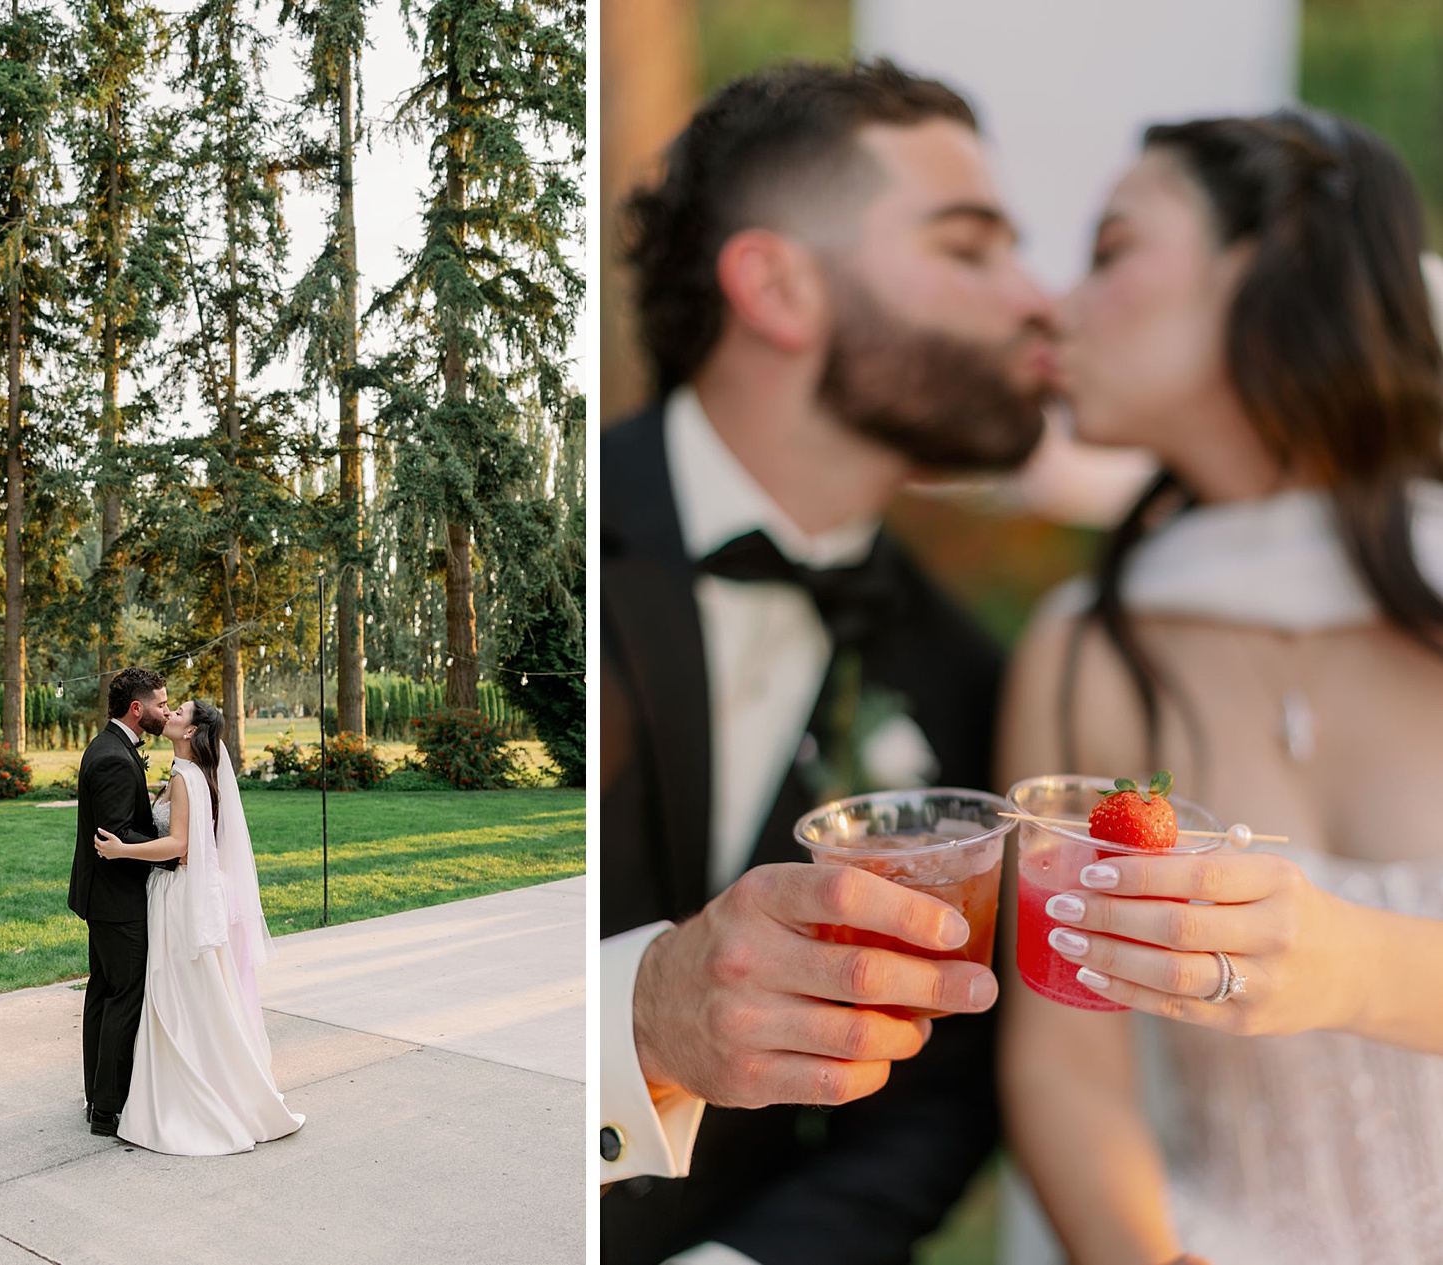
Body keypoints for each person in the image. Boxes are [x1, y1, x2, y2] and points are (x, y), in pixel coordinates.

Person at [601, 59, 1057, 1264]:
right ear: (778, 285)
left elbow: (935, 1099)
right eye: (968, 248)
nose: (1034, 301)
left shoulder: (969, 673)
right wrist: (636, 1020)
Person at [999, 109, 1443, 1265]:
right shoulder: (1084, 653)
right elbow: (1063, 1057)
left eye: (1110, 251)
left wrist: (1351, 964)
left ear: (1272, 262)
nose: (1053, 308)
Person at [92, 699, 304, 1155]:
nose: (169, 714)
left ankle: (186, 1097)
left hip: (178, 893)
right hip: (183, 890)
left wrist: (122, 850)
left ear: (191, 732)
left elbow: (179, 846)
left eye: (179, 712)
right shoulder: (192, 774)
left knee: (172, 992)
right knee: (191, 992)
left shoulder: (185, 778)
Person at [68, 666, 172, 1137]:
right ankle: (108, 1109)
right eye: (161, 704)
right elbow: (116, 835)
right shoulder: (113, 757)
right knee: (123, 996)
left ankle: (97, 1096)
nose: (165, 711)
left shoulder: (111, 746)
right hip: (116, 899)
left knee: (103, 992)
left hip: (104, 896)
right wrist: (174, 851)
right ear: (137, 708)